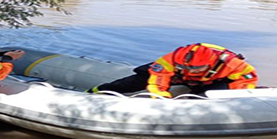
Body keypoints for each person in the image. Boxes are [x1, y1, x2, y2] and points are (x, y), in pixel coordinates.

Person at [91, 43, 257, 98]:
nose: (190, 70)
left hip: (212, 80)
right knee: (136, 80)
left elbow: (247, 80)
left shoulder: (231, 63)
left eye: (195, 68)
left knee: (208, 96)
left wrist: (229, 95)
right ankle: (96, 91)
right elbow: (157, 82)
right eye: (185, 66)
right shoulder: (169, 60)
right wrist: (162, 99)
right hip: (177, 77)